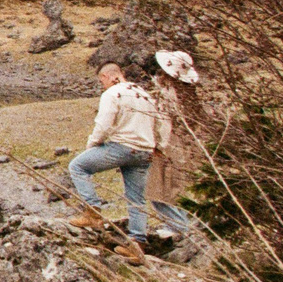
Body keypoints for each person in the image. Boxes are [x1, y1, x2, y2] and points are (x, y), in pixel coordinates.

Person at [69, 60, 158, 254]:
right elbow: (158, 123)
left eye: (102, 82)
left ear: (105, 77)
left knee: (77, 166)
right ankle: (137, 244)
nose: (103, 85)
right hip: (145, 150)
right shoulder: (145, 94)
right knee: (136, 199)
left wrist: (92, 145)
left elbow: (104, 124)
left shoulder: (112, 93)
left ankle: (92, 211)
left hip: (122, 147)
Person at [144, 49, 203, 242]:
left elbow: (165, 125)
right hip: (184, 147)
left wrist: (157, 146)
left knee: (160, 191)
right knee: (173, 190)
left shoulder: (169, 96)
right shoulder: (188, 96)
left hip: (170, 148)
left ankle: (181, 228)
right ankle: (180, 225)